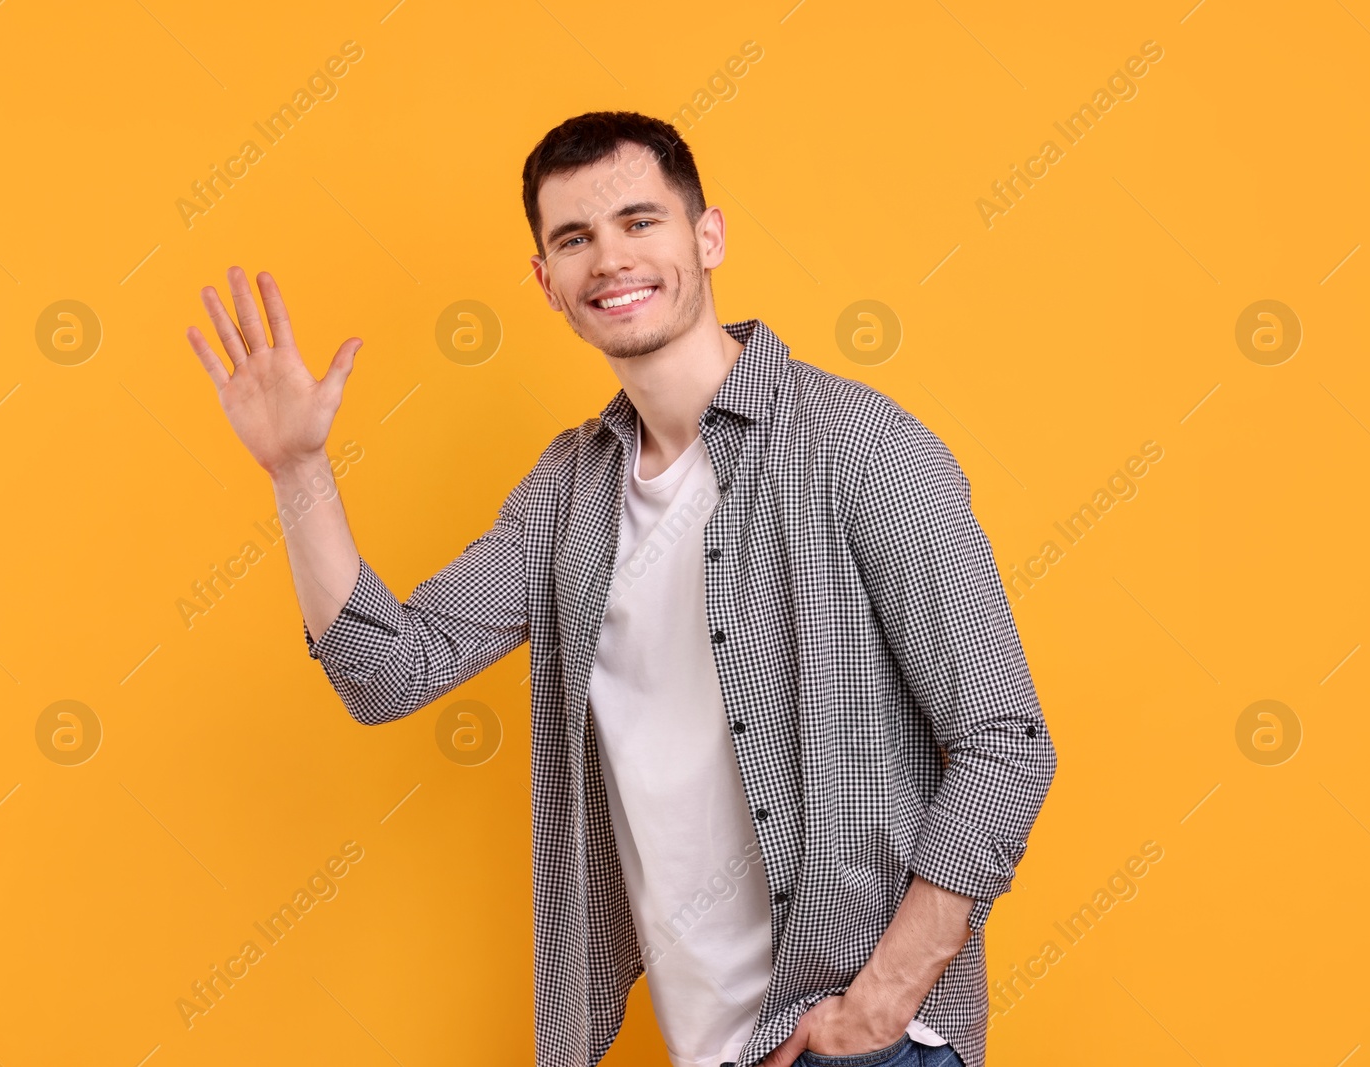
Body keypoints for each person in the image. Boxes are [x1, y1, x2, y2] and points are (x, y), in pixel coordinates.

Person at [184, 110, 1055, 1067]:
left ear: (706, 235)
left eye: (640, 221)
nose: (609, 258)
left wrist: (880, 1004)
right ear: (547, 282)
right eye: (574, 238)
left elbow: (1003, 742)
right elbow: (388, 671)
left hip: (857, 1041)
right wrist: (299, 472)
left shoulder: (856, 445)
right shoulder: (570, 492)